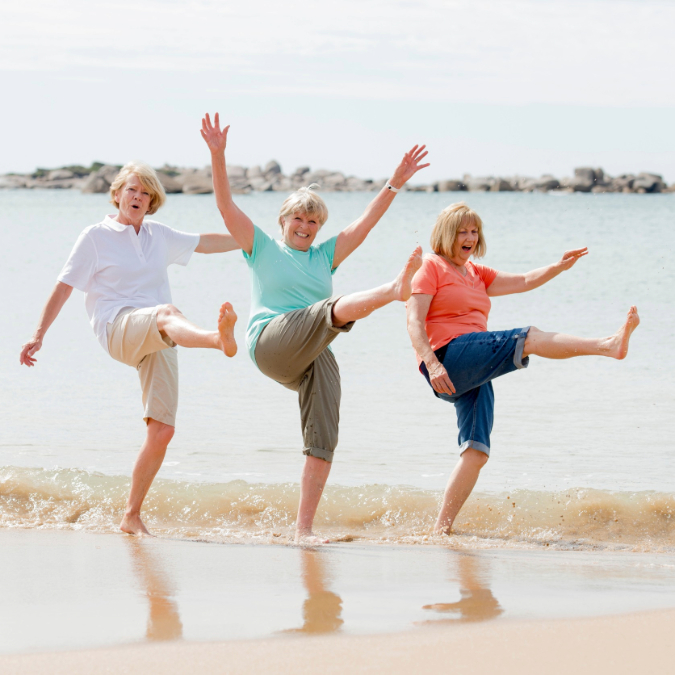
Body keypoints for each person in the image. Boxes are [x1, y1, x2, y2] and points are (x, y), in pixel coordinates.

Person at [200, 112, 428, 543]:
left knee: (324, 436)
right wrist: (218, 154)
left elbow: (365, 222)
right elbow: (226, 207)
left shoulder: (325, 257)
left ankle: (303, 529)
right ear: (283, 221)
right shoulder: (261, 248)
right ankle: (393, 289)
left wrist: (395, 181)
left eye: (312, 223)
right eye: (297, 220)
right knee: (329, 309)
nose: (305, 228)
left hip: (310, 351)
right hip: (270, 340)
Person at [19, 161, 240, 536]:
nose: (137, 197)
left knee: (162, 430)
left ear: (152, 201)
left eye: (145, 193)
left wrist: (255, 241)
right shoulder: (95, 236)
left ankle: (130, 516)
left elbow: (205, 243)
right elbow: (64, 286)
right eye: (131, 190)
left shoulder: (157, 234)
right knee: (168, 312)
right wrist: (39, 333)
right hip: (118, 326)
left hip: (161, 335)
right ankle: (216, 340)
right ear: (117, 193)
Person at [406, 202, 640, 535]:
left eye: (474, 231)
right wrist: (431, 363)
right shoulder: (430, 267)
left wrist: (558, 266)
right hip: (447, 356)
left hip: (473, 365)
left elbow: (525, 280)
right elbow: (413, 321)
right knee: (527, 337)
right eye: (462, 231)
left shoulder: (475, 273)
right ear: (446, 234)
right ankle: (606, 346)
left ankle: (439, 530)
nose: (470, 237)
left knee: (476, 451)